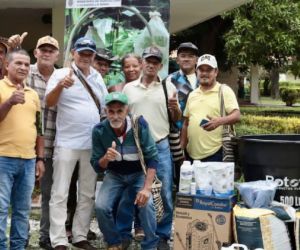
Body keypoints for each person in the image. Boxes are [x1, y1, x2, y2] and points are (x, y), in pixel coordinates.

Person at [45, 37, 108, 250]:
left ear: (93, 55)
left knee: (88, 193)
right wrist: (61, 86)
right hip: (67, 143)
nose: (85, 56)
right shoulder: (61, 74)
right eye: (82, 52)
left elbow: (105, 108)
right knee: (60, 192)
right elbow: (49, 102)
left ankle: (80, 235)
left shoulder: (98, 77)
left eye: (90, 53)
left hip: (91, 144)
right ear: (74, 53)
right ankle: (59, 239)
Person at [123, 46, 181, 250]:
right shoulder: (129, 88)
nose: (151, 64)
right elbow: (123, 117)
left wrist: (175, 110)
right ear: (142, 63)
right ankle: (134, 231)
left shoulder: (168, 88)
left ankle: (162, 234)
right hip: (135, 148)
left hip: (160, 146)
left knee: (164, 192)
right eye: (148, 60)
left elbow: (176, 119)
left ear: (160, 66)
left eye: (155, 62)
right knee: (133, 190)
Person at [91, 92, 159, 250]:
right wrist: (106, 158)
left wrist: (147, 188)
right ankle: (114, 241)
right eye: (111, 111)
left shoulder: (139, 124)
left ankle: (150, 245)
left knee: (147, 204)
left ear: (127, 110)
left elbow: (153, 157)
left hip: (138, 174)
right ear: (105, 111)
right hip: (114, 175)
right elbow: (96, 165)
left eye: (119, 111)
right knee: (101, 206)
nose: (115, 116)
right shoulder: (99, 130)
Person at [0, 49, 45, 250]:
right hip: (3, 158)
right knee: (0, 210)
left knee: (22, 210)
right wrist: (9, 102)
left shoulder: (33, 94)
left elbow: (39, 129)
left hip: (28, 160)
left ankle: (18, 247)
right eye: (18, 63)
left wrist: (40, 158)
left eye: (27, 64)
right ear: (6, 66)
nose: (23, 67)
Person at [181, 54, 240, 162]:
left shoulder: (224, 91)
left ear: (216, 72)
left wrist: (219, 121)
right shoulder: (192, 94)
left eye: (209, 70)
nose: (204, 73)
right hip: (191, 155)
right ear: (196, 71)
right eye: (201, 70)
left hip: (216, 154)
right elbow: (186, 124)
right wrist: (182, 150)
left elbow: (236, 115)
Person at [164, 42, 199, 188]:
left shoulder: (204, 79)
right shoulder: (169, 80)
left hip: (199, 133)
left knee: (199, 173)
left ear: (196, 60)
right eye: (183, 56)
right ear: (177, 59)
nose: (186, 59)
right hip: (176, 135)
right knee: (180, 174)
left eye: (190, 56)